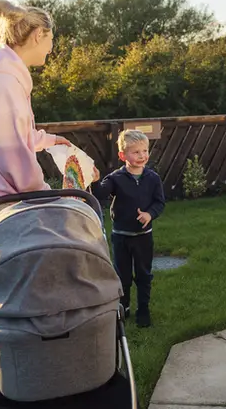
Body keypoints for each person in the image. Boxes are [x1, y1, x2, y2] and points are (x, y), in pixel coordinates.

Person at [0, 0, 89, 228]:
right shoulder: (4, 83)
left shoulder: (3, 77)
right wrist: (46, 195)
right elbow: (10, 152)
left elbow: (12, 135)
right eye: (51, 39)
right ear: (38, 35)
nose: (51, 48)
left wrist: (49, 140)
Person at [91, 130, 166, 328]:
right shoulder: (116, 178)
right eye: (136, 152)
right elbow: (100, 193)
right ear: (123, 156)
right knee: (122, 276)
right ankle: (123, 308)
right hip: (121, 237)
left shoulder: (152, 178)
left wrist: (149, 214)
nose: (142, 156)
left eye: (144, 151)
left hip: (143, 237)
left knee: (143, 274)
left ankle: (143, 309)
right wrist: (95, 180)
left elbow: (159, 203)